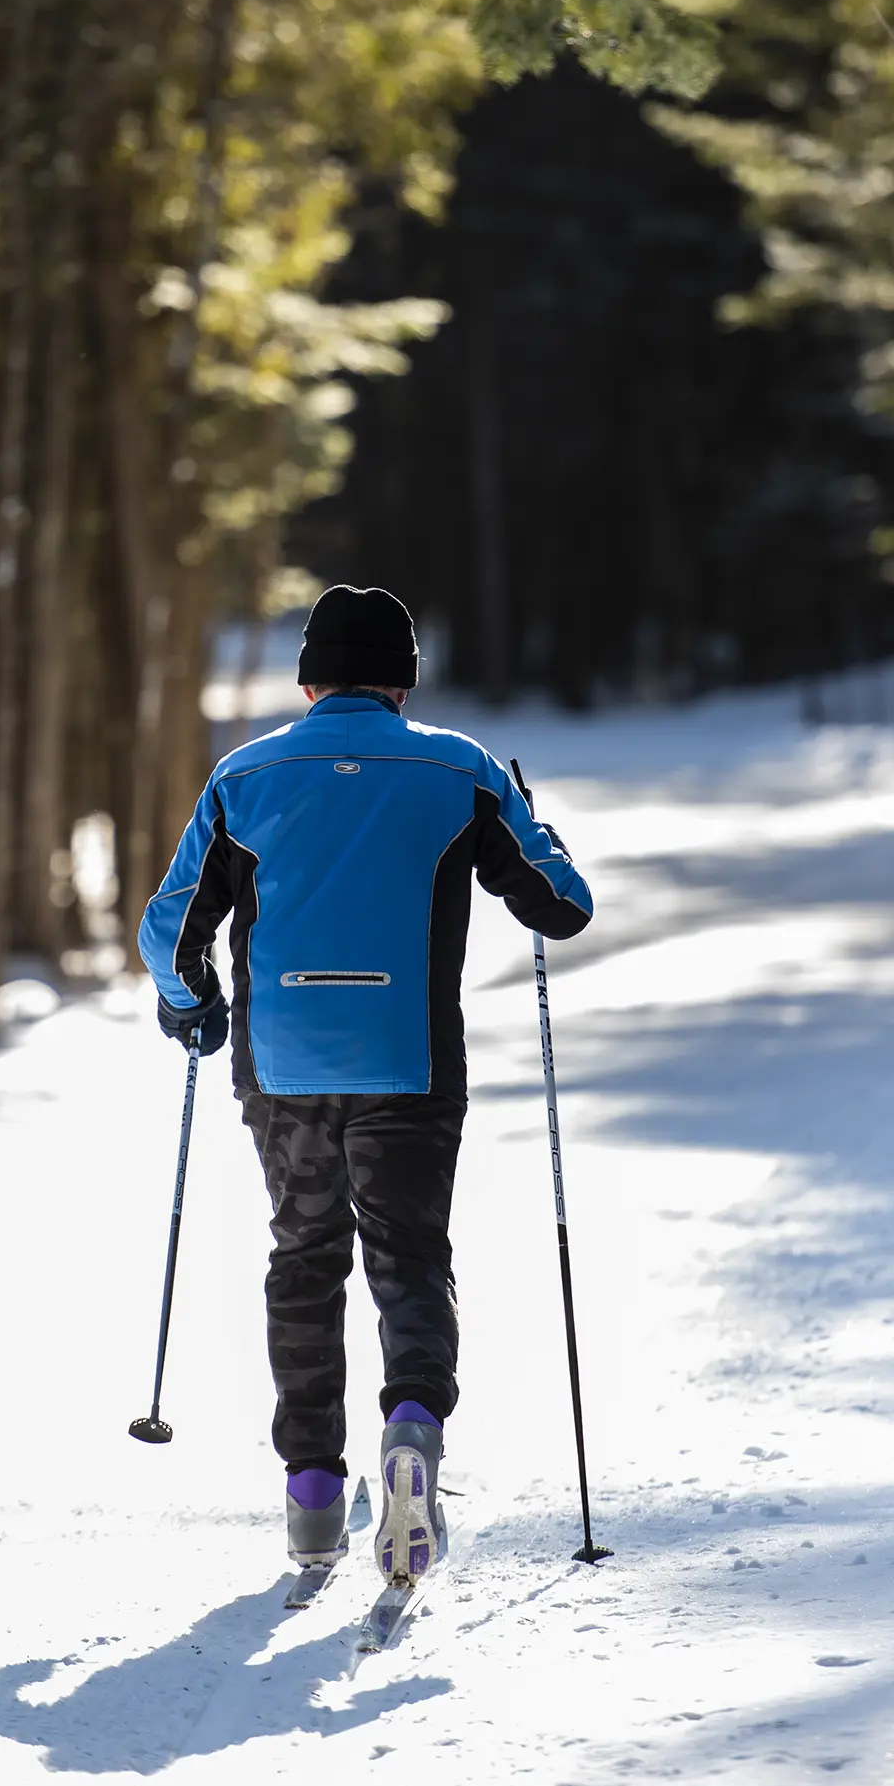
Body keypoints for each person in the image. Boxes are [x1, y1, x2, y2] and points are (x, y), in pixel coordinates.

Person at [138, 584, 593, 1585]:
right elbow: (561, 907)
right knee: (410, 1253)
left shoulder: (242, 775)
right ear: (402, 679)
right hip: (411, 1058)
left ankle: (308, 1497)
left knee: (303, 1255)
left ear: (309, 679)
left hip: (284, 1059)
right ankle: (413, 1430)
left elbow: (169, 926)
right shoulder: (460, 768)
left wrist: (193, 1000)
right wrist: (539, 831)